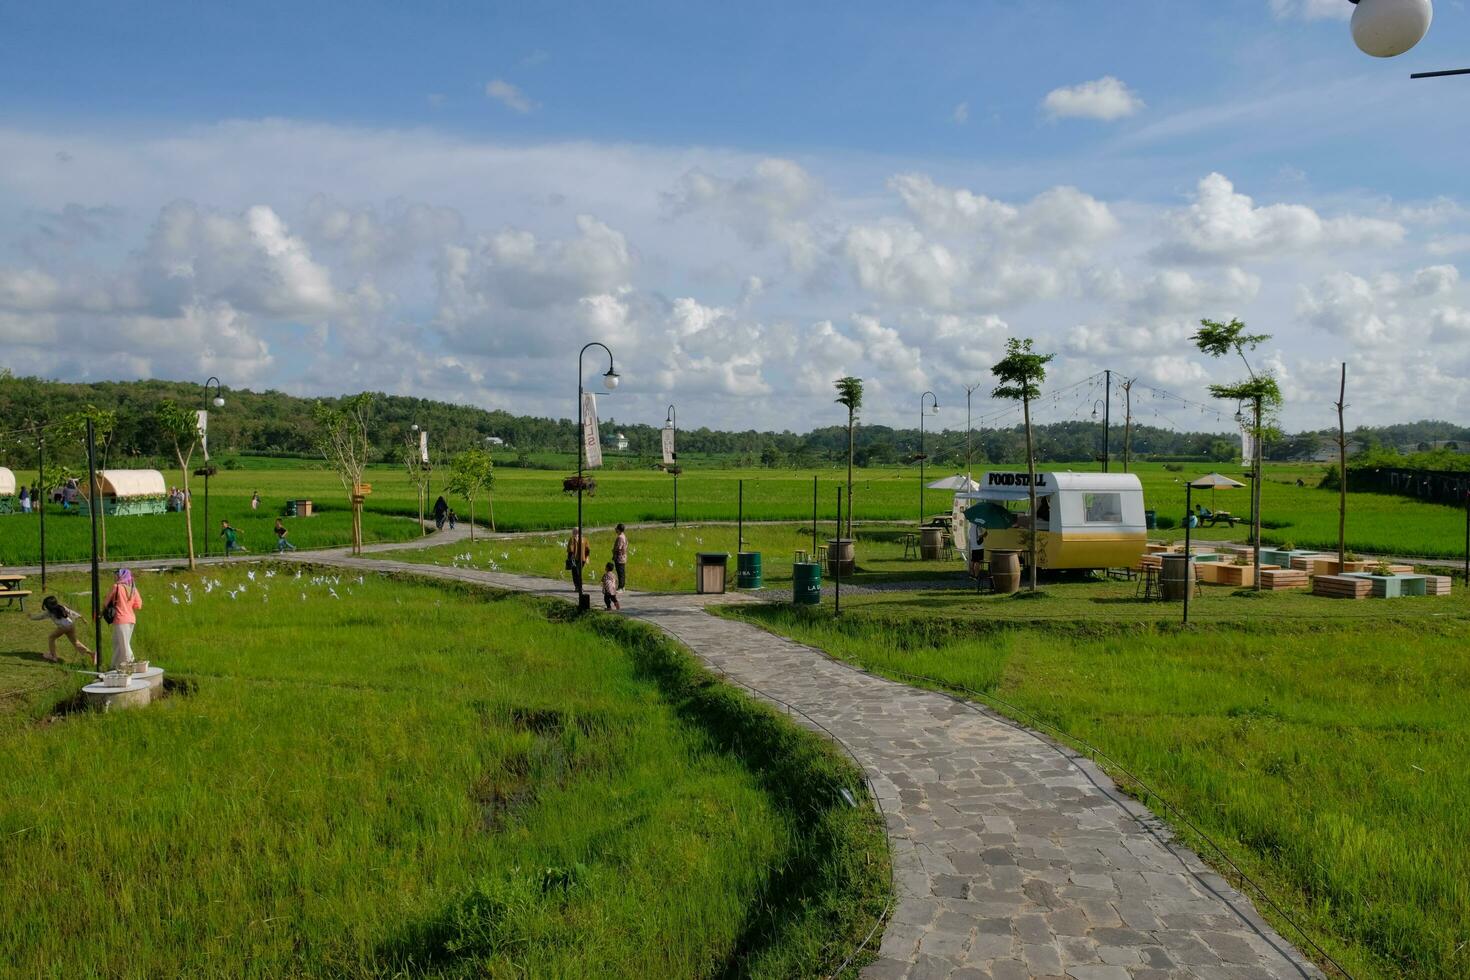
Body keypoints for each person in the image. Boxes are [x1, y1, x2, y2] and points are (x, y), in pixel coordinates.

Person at [30, 596, 95, 665]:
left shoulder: (49, 612)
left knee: (51, 638)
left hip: (63, 627)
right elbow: (71, 612)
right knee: (76, 642)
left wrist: (31, 617)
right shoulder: (62, 607)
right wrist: (82, 618)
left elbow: (40, 617)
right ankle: (92, 653)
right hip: (71, 625)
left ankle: (53, 656)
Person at [102, 569, 143, 669]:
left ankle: (132, 665)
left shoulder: (116, 587)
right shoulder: (133, 589)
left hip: (120, 619)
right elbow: (138, 605)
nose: (115, 577)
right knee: (117, 644)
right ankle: (115, 666)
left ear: (120, 576)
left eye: (116, 575)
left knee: (124, 645)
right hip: (131, 619)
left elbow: (105, 603)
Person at [566, 529, 591, 594]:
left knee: (575, 573)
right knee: (578, 572)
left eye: (573, 531)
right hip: (582, 559)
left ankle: (578, 586)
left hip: (574, 559)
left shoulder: (572, 539)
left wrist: (569, 558)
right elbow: (588, 549)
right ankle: (578, 586)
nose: (572, 532)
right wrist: (587, 557)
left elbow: (570, 550)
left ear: (574, 532)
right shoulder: (584, 539)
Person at [612, 523, 629, 592]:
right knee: (622, 572)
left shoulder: (620, 537)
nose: (615, 529)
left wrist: (614, 551)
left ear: (618, 529)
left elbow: (618, 547)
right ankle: (622, 586)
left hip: (619, 557)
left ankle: (621, 587)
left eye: (616, 528)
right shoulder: (624, 536)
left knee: (620, 572)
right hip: (623, 556)